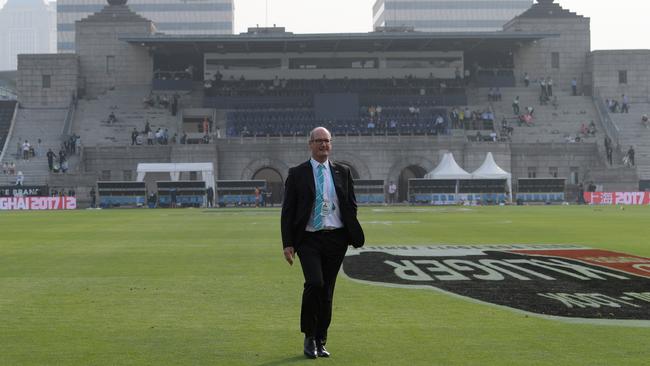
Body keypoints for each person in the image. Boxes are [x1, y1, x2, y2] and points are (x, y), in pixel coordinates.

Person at [281, 127, 364, 359]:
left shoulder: (342, 172)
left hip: (336, 238)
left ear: (331, 144)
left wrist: (348, 228)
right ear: (310, 144)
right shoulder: (297, 173)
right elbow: (288, 211)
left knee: (327, 291)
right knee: (315, 284)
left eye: (326, 141)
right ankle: (309, 336)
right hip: (309, 238)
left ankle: (321, 338)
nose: (323, 145)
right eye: (318, 141)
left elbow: (351, 203)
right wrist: (288, 243)